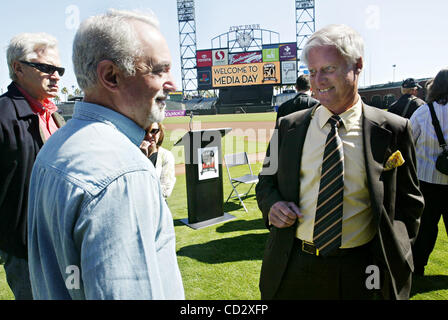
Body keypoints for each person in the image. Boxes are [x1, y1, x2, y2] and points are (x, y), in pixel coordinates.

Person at [256, 24, 424, 300]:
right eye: (312, 72)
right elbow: (265, 182)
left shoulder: (394, 129)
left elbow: (410, 204)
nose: (317, 81)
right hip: (294, 264)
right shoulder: (288, 127)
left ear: (357, 65)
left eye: (328, 69)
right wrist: (272, 205)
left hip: (364, 268)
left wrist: (400, 249)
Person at [27, 9, 184, 299]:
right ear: (111, 76)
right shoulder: (123, 173)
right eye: (159, 70)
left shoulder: (56, 144)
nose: (172, 83)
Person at [0, 32, 65, 300]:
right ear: (18, 68)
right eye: (47, 68)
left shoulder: (55, 116)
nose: (57, 76)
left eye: (59, 69)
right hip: (25, 250)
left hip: (62, 241)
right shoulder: (3, 115)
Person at [410, 68, 448, 276]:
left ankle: (418, 266)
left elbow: (408, 142)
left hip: (427, 180)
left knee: (426, 227)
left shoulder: (423, 112)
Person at [140, 122, 176, 198]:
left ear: (160, 133)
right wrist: (141, 157)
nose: (149, 135)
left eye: (154, 131)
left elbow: (166, 191)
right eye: (145, 131)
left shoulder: (166, 156)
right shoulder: (133, 153)